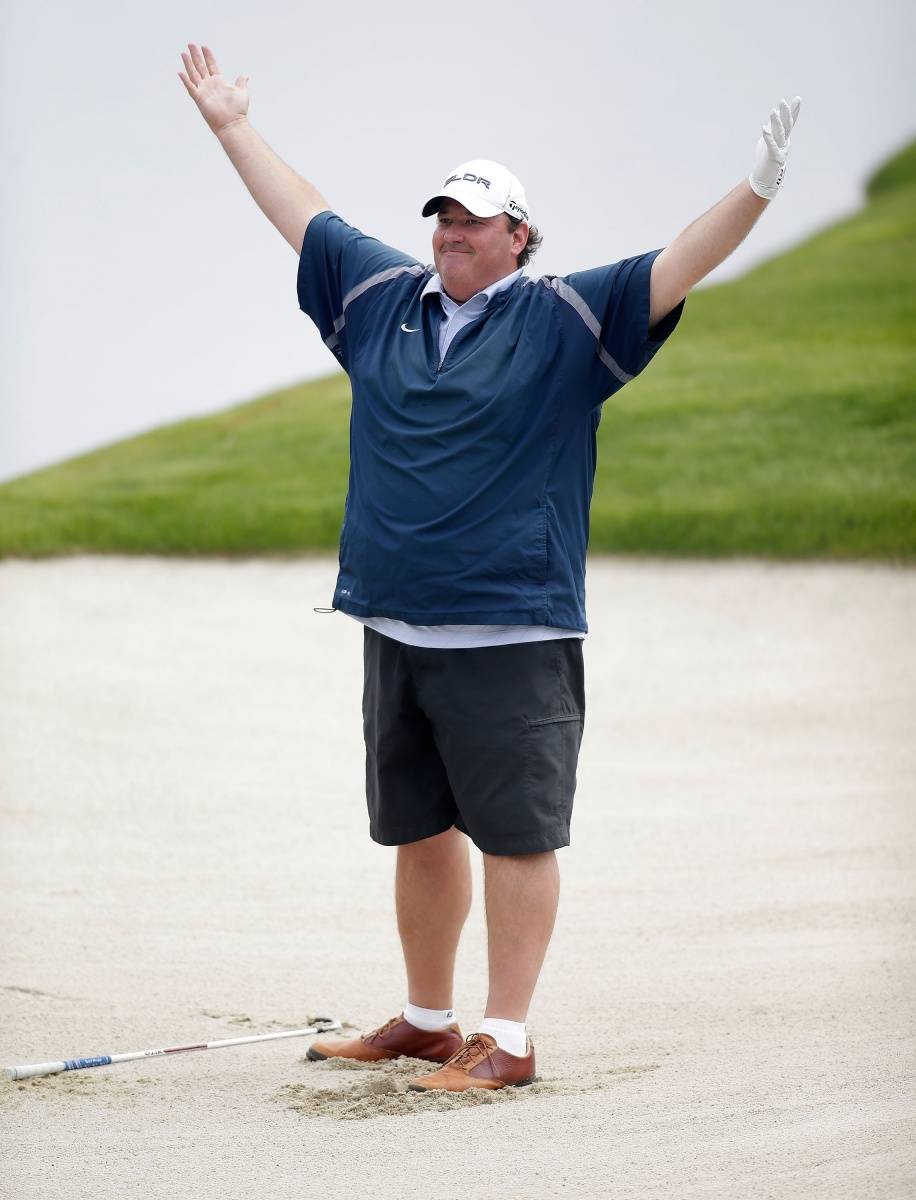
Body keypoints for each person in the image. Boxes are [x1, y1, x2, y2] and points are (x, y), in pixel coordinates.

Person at [178, 43, 801, 1093]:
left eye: (472, 220)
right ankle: (429, 1020)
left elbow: (678, 264)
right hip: (396, 623)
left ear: (518, 235)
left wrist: (757, 190)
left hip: (511, 628)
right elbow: (305, 216)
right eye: (442, 218)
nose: (450, 233)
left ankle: (506, 1039)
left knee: (514, 837)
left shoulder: (565, 317)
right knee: (418, 831)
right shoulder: (383, 297)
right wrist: (233, 127)